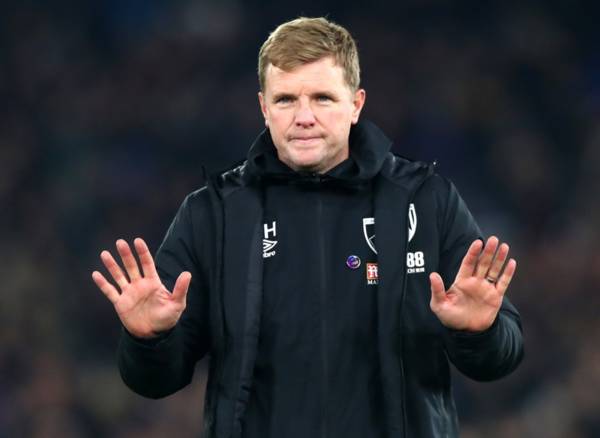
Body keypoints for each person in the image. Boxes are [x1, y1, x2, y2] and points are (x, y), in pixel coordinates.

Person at [92, 16, 523, 438]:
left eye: (322, 98)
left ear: (356, 104)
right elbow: (155, 381)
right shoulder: (214, 213)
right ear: (264, 108)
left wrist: (478, 332)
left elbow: (501, 357)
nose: (303, 117)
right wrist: (149, 340)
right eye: (285, 100)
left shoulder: (425, 201)